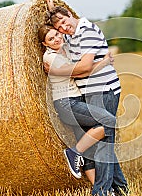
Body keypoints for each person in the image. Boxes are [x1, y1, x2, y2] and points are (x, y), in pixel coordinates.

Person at [43, 0, 129, 196]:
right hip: (87, 94)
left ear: (71, 15)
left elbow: (84, 68)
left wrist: (98, 65)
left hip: (104, 90)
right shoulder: (71, 34)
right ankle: (119, 188)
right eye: (59, 28)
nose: (62, 29)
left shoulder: (86, 31)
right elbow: (58, 26)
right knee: (103, 139)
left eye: (64, 23)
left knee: (104, 141)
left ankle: (102, 193)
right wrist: (51, 9)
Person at [38, 24, 116, 185]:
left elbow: (67, 25)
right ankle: (74, 153)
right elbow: (82, 71)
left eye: (57, 35)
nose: (57, 39)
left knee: (90, 151)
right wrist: (105, 62)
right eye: (50, 39)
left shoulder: (64, 49)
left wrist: (51, 5)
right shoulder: (51, 58)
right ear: (45, 44)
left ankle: (99, 191)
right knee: (109, 121)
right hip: (67, 103)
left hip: (77, 101)